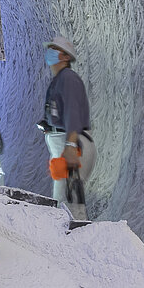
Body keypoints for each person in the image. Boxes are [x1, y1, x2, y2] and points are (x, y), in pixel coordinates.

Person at [38, 34, 91, 217]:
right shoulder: (60, 79)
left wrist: (70, 145)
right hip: (62, 143)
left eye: (55, 50)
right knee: (64, 199)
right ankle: (71, 233)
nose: (50, 53)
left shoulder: (67, 78)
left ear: (66, 56)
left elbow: (72, 112)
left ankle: (75, 234)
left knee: (68, 202)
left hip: (68, 143)